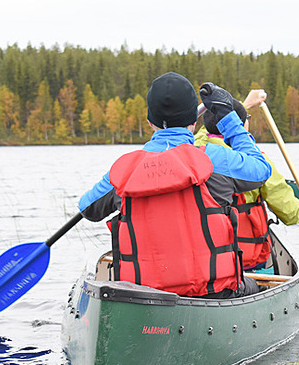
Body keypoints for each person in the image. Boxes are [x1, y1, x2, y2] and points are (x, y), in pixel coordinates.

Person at [78, 72, 272, 298]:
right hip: (214, 294)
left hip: (143, 297)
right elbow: (261, 169)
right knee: (252, 286)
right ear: (194, 120)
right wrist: (229, 119)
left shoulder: (123, 171)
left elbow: (87, 208)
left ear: (150, 122)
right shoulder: (215, 159)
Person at [194, 89, 299, 271]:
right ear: (241, 124)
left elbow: (211, 128)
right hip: (247, 260)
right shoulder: (257, 162)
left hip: (208, 257)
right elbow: (290, 213)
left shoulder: (195, 149)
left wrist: (243, 106)